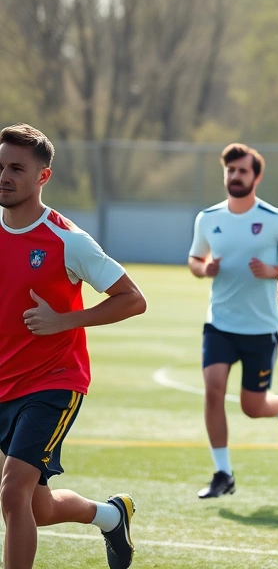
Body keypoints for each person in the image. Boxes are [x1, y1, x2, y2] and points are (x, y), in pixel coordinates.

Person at [0, 123, 147, 569]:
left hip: (52, 382)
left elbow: (132, 299)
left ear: (42, 177)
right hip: (4, 381)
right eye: (0, 166)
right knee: (36, 507)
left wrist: (64, 320)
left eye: (16, 169)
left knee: (11, 494)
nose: (4, 176)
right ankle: (109, 515)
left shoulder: (68, 240)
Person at [187, 143, 278, 499]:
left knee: (253, 407)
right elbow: (194, 260)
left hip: (261, 329)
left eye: (242, 171)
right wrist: (206, 269)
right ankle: (223, 473)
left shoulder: (276, 220)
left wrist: (273, 270)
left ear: (256, 176)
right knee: (213, 388)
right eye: (230, 170)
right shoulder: (208, 218)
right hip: (219, 324)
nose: (235, 176)